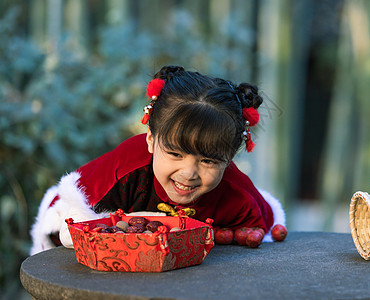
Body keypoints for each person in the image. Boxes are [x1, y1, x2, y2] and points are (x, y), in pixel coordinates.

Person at [30, 65, 285, 255]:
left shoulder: (237, 195)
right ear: (151, 139)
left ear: (228, 159)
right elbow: (61, 218)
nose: (188, 173)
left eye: (208, 161)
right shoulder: (126, 171)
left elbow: (261, 230)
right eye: (175, 154)